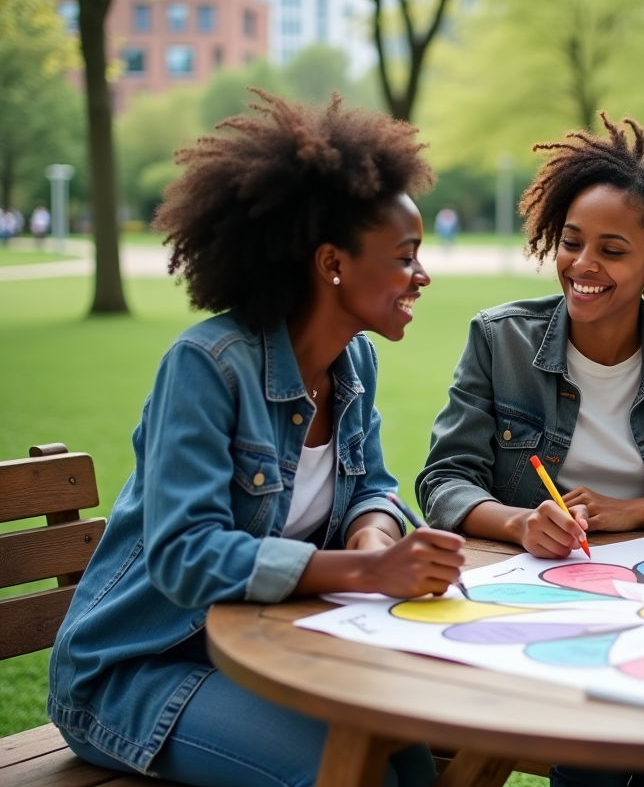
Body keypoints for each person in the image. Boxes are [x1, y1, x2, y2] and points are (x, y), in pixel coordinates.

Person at [47, 91, 464, 787]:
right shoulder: (208, 367)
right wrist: (366, 574)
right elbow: (186, 556)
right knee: (350, 775)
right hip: (138, 670)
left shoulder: (354, 362)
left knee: (411, 761)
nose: (422, 276)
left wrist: (373, 539)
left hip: (258, 647)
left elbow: (373, 486)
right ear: (332, 263)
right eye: (405, 257)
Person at [417, 114, 644, 787]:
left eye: (612, 250)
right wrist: (521, 522)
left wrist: (640, 512)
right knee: (590, 750)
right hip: (544, 597)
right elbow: (446, 480)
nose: (582, 265)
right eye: (572, 242)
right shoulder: (500, 340)